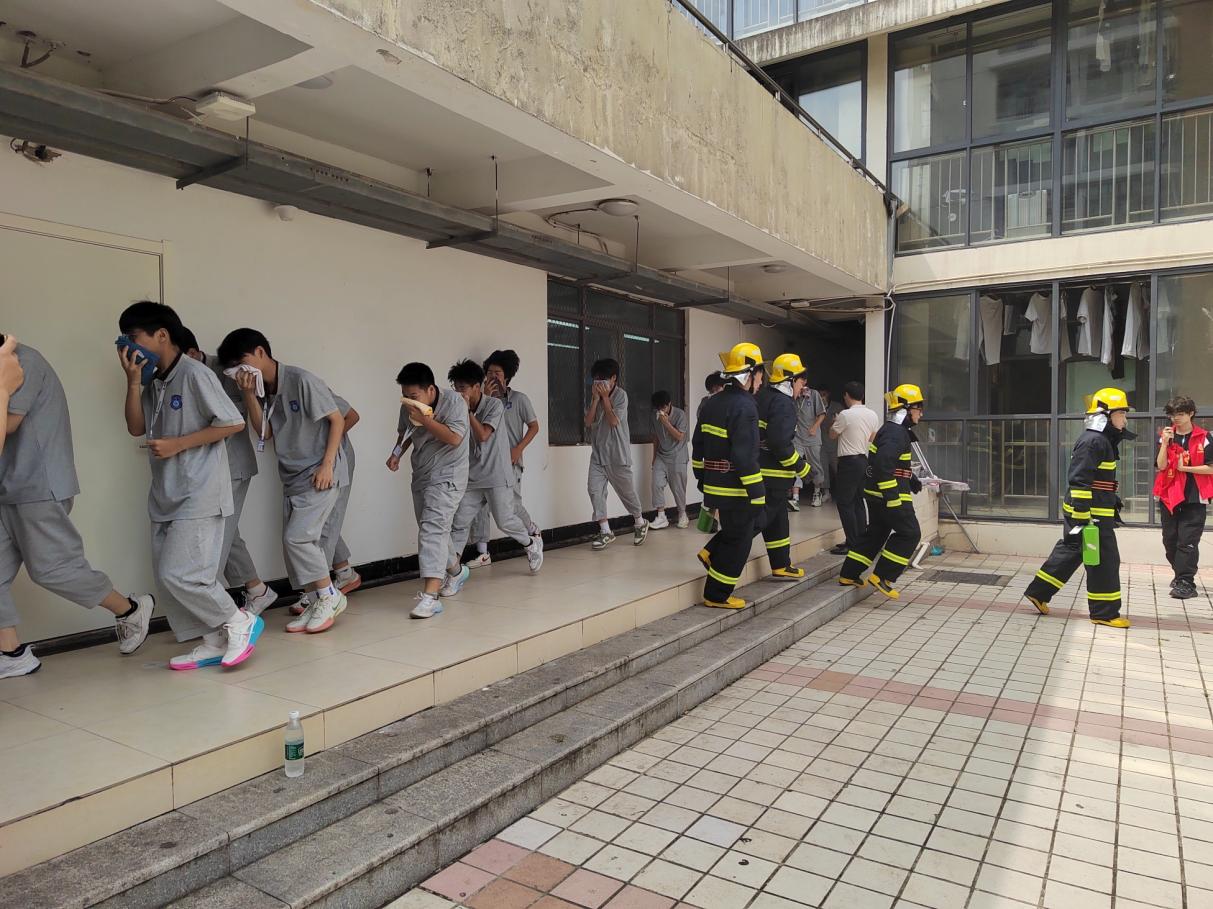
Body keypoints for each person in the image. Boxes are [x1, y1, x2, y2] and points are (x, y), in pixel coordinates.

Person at [1, 338, 154, 679]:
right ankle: (11, 653)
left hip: (37, 484)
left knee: (52, 568)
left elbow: (8, 422)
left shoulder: (24, 361)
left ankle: (130, 609)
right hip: (8, 486)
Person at [119, 303, 262, 670]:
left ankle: (238, 620)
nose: (127, 346)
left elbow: (232, 423)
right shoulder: (155, 380)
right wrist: (133, 382)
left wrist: (178, 444)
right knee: (167, 579)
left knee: (184, 574)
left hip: (199, 491)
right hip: (165, 493)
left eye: (133, 337)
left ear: (161, 335)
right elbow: (136, 427)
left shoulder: (195, 374)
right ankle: (213, 640)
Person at [217, 328, 349, 635]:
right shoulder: (263, 389)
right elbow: (264, 432)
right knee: (295, 544)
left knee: (298, 538)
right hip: (293, 475)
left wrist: (327, 464)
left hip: (319, 472)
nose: (239, 371)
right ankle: (316, 600)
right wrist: (248, 394)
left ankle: (330, 595)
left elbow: (338, 419)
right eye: (232, 368)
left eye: (241, 362)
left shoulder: (302, 380)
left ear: (260, 352)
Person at [181, 329, 278, 617]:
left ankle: (213, 611)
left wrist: (247, 391)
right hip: (202, 469)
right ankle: (257, 590)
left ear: (192, 353)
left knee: (217, 537)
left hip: (233, 466)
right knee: (227, 531)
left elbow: (257, 425)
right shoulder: (177, 377)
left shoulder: (232, 371)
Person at [1023, 387, 1132, 629]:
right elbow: (1080, 480)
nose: (1125, 420)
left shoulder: (1101, 440)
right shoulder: (1094, 441)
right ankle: (1104, 613)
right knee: (1104, 559)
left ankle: (1038, 592)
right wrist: (1083, 517)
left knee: (1074, 549)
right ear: (1106, 415)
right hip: (1090, 512)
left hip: (1092, 509)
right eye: (1121, 414)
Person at [436, 360, 543, 599]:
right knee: (458, 524)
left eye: (463, 388)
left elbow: (483, 434)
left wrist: (468, 412)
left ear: (477, 386)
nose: (458, 392)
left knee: (505, 521)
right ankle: (453, 573)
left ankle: (531, 543)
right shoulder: (456, 406)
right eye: (455, 387)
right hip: (472, 477)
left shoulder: (494, 405)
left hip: (497, 474)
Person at [388, 362, 469, 619]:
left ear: (431, 390)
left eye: (414, 395)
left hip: (449, 475)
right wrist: (396, 454)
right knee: (432, 528)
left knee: (432, 529)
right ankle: (457, 571)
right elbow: (406, 432)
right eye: (405, 396)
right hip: (422, 473)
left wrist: (425, 420)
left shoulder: (454, 402)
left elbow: (454, 438)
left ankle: (430, 597)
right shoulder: (409, 406)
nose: (409, 401)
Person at [691, 342, 766, 608]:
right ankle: (717, 595)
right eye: (760, 374)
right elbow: (745, 455)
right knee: (740, 541)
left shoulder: (712, 403)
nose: (761, 380)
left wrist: (701, 478)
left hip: (714, 484)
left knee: (736, 532)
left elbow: (697, 444)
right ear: (751, 374)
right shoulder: (745, 407)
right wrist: (757, 492)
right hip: (736, 488)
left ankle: (711, 553)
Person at [838, 383, 925, 600]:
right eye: (918, 407)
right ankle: (883, 576)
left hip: (878, 494)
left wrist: (911, 478)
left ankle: (849, 574)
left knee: (875, 533)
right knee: (910, 533)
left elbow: (891, 463)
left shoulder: (892, 430)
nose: (921, 413)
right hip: (890, 496)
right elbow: (884, 465)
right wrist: (893, 498)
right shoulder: (896, 433)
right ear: (905, 409)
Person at [466, 349, 541, 569]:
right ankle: (483, 552)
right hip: (484, 465)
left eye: (497, 373)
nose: (492, 377)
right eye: (489, 372)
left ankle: (532, 533)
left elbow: (534, 427)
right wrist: (485, 399)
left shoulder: (519, 400)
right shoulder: (480, 402)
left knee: (512, 506)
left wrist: (518, 450)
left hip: (510, 462)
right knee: (480, 509)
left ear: (507, 376)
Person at [291, 393, 361, 616]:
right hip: (309, 464)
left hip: (332, 461)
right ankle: (344, 572)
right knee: (315, 521)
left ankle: (321, 592)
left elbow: (352, 416)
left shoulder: (306, 386)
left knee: (326, 523)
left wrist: (327, 453)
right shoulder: (272, 393)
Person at [752, 353, 811, 580]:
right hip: (773, 475)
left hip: (763, 471)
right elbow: (779, 443)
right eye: (801, 380)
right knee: (758, 520)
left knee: (777, 519)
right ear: (790, 380)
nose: (803, 385)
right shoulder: (783, 403)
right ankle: (715, 550)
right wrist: (802, 468)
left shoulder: (763, 396)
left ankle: (781, 564)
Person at [585, 358, 648, 550]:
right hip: (598, 455)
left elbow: (613, 421)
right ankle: (605, 531)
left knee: (626, 493)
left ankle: (640, 522)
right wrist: (595, 400)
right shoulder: (595, 395)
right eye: (596, 379)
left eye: (603, 379)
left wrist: (605, 398)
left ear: (613, 378)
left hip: (618, 455)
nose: (599, 383)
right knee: (594, 490)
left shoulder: (621, 396)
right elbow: (588, 422)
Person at [1154, 395, 1211, 600]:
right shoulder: (1166, 436)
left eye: (1180, 414)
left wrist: (1185, 468)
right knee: (1170, 541)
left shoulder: (1205, 437)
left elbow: (1211, 468)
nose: (1175, 418)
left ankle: (1186, 582)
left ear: (1191, 414)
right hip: (1169, 496)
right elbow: (1161, 465)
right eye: (1172, 415)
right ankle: (1180, 575)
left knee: (1187, 542)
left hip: (1194, 498)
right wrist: (1164, 443)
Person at [828, 382, 881, 556]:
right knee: (858, 501)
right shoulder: (872, 414)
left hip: (848, 462)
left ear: (846, 395)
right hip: (863, 460)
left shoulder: (845, 415)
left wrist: (835, 422)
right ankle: (860, 540)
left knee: (844, 503)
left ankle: (852, 542)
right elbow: (872, 438)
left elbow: (832, 435)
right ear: (862, 395)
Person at [650, 390, 689, 529]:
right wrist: (654, 457)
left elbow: (680, 437)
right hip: (661, 455)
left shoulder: (680, 415)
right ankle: (661, 516)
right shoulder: (654, 415)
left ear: (669, 404)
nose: (661, 410)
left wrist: (666, 423)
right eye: (658, 408)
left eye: (663, 407)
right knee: (656, 483)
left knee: (678, 488)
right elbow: (655, 437)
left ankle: (682, 514)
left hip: (678, 456)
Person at [791, 382, 829, 510]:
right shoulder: (792, 394)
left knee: (815, 466)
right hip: (797, 438)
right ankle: (795, 497)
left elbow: (822, 413)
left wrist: (815, 427)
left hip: (812, 439)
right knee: (795, 465)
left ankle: (817, 493)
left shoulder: (813, 394)